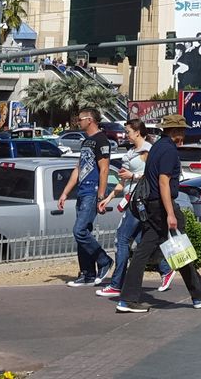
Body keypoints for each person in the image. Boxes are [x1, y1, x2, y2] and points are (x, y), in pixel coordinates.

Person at [114, 114, 201, 313]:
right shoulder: (169, 150)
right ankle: (128, 299)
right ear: (176, 131)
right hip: (161, 207)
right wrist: (170, 212)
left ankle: (199, 294)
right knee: (162, 248)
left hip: (154, 205)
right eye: (182, 130)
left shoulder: (157, 147)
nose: (184, 134)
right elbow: (163, 182)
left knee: (176, 246)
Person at [96, 119, 172, 298]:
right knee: (141, 241)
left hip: (141, 202)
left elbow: (153, 175)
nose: (126, 134)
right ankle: (166, 269)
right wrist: (108, 199)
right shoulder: (130, 153)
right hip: (132, 201)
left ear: (138, 132)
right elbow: (122, 183)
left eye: (128, 131)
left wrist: (134, 175)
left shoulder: (148, 150)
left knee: (121, 239)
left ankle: (117, 283)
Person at [53, 110, 112, 286]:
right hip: (82, 192)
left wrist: (101, 195)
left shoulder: (102, 140)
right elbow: (78, 168)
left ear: (90, 120)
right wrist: (65, 192)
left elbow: (104, 169)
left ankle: (104, 261)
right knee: (82, 234)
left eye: (80, 119)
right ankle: (87, 273)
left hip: (92, 192)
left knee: (79, 230)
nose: (78, 122)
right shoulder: (87, 141)